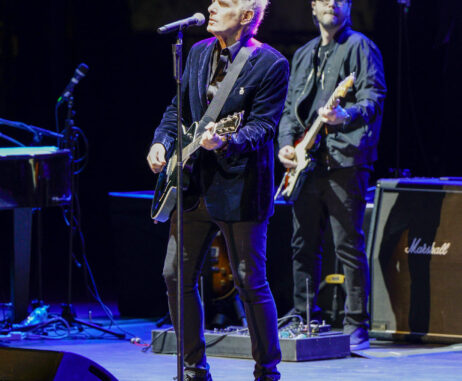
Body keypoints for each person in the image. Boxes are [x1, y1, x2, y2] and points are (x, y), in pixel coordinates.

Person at [146, 0, 289, 379]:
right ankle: (194, 369)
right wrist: (161, 140)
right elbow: (177, 110)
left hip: (241, 189)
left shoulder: (271, 64)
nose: (210, 7)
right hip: (193, 186)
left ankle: (267, 372)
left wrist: (226, 142)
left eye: (223, 2)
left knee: (249, 281)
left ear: (246, 16)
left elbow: (263, 127)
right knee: (176, 275)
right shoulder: (196, 52)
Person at [276, 0, 386, 351]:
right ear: (313, 6)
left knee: (347, 244)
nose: (332, 4)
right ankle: (304, 314)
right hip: (307, 163)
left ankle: (356, 324)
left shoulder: (360, 47)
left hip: (345, 160)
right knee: (301, 244)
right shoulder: (305, 53)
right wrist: (286, 146)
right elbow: (291, 109)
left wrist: (345, 114)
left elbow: (374, 99)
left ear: (349, 6)